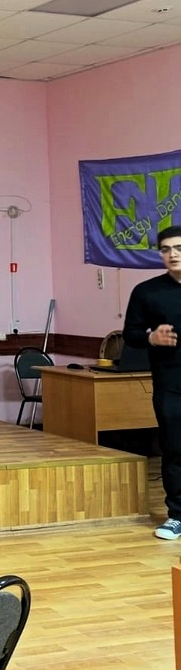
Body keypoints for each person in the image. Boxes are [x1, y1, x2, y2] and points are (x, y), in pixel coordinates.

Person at [123, 224, 181, 540]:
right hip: (171, 383)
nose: (173, 254)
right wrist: (151, 338)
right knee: (174, 448)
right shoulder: (147, 292)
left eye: (179, 248)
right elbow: (131, 334)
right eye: (166, 249)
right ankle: (177, 516)